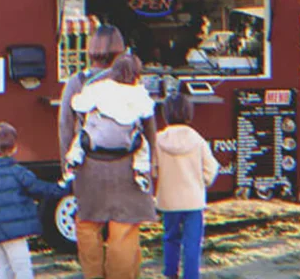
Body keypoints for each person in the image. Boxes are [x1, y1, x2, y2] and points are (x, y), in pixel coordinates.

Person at [58, 24, 158, 279]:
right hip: (127, 165)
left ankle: (93, 275)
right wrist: (152, 162)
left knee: (88, 225)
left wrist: (67, 165)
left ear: (91, 49)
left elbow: (64, 125)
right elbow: (148, 125)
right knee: (124, 229)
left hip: (90, 164)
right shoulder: (133, 81)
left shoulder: (78, 82)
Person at [0, 122, 70, 279]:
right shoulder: (18, 172)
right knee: (22, 271)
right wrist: (63, 185)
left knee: (3, 272)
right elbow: (40, 189)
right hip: (16, 234)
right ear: (15, 148)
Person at [61, 53, 156, 193]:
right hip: (127, 141)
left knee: (80, 140)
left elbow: (78, 105)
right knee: (143, 147)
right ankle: (140, 172)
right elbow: (147, 111)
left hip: (97, 138)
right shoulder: (139, 93)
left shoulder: (99, 88)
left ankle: (72, 163)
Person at [154, 92, 220, 279]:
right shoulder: (197, 140)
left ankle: (170, 273)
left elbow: (153, 168)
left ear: (165, 113)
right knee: (192, 243)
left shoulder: (158, 139)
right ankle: (191, 275)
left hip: (168, 199)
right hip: (193, 199)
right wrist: (202, 182)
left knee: (170, 238)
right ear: (188, 113)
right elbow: (211, 167)